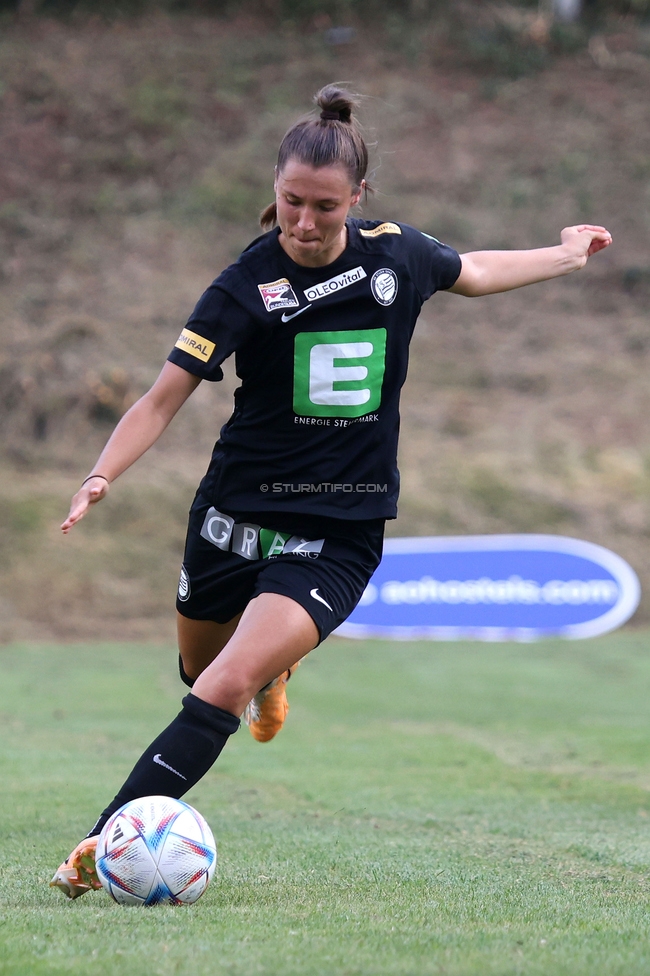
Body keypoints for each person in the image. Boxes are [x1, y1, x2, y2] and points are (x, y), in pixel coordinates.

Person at [50, 84, 612, 898]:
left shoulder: (397, 256)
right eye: (289, 204)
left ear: (357, 198)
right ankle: (275, 672)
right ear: (273, 191)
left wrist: (565, 253)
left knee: (221, 688)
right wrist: (102, 474)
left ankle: (96, 849)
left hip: (338, 528)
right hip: (233, 517)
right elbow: (161, 396)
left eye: (323, 207)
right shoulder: (244, 284)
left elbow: (477, 270)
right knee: (196, 671)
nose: (304, 224)